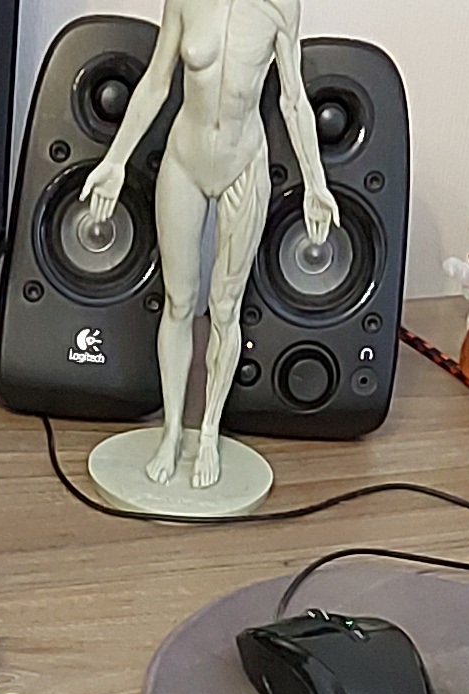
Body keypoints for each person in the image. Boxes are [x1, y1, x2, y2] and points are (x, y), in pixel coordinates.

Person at [76, 0, 341, 488]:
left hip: (244, 162)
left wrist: (315, 183)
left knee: (224, 308)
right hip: (185, 158)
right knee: (179, 301)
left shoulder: (280, 7)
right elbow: (157, 81)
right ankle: (172, 430)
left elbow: (293, 99)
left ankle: (210, 432)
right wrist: (115, 161)